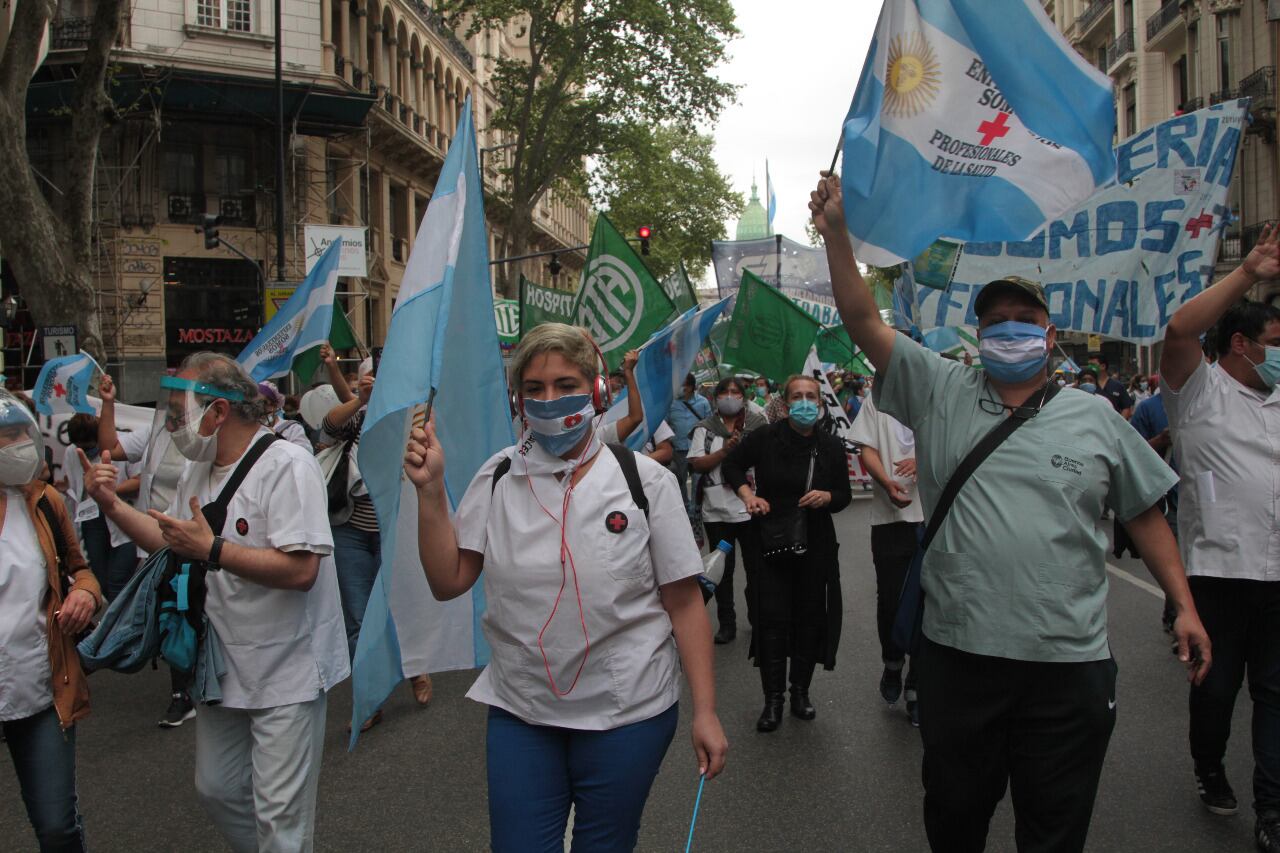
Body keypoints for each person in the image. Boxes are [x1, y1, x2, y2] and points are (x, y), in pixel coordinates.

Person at [810, 172, 1211, 852]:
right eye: (996, 323)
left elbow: (1144, 513)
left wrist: (1185, 603)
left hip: (1069, 666)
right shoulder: (938, 388)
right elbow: (860, 320)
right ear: (977, 334)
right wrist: (838, 233)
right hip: (960, 660)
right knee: (956, 820)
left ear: (1050, 337)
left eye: (1025, 323)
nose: (1011, 332)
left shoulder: (1095, 417)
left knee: (1053, 831)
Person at [407, 323, 727, 852]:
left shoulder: (644, 482)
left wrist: (706, 711)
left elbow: (684, 602)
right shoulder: (496, 477)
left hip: (628, 714)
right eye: (535, 388)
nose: (550, 400)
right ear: (518, 399)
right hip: (522, 710)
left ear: (599, 391)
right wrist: (430, 493)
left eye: (566, 384)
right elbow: (447, 581)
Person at [79, 352, 349, 852]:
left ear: (219, 412)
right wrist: (112, 505)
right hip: (221, 666)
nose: (172, 422)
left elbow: (302, 570)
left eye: (179, 411)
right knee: (219, 790)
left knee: (281, 820)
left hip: (286, 669)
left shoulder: (288, 465)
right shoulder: (197, 472)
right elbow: (169, 540)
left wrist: (214, 550)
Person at [1159, 223, 1280, 849]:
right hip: (1217, 575)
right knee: (1217, 690)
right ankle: (1209, 766)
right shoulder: (1197, 389)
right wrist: (1248, 273)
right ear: (1241, 344)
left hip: (1277, 575)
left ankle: (1272, 807)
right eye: (1275, 342)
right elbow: (1179, 332)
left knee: (1275, 693)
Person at [722, 374, 852, 732]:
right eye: (798, 396)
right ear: (785, 402)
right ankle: (773, 699)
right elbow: (731, 465)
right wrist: (749, 496)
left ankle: (800, 693)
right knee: (773, 620)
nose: (805, 402)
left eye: (811, 396)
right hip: (771, 539)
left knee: (809, 618)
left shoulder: (830, 446)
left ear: (821, 403)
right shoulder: (766, 437)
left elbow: (843, 495)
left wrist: (827, 497)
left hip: (816, 543)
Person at [0, 390, 101, 852]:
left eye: (23, 433)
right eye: (7, 437)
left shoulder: (44, 503)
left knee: (58, 826)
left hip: (41, 688)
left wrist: (84, 591)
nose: (20, 445)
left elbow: (80, 569)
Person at [320, 353, 433, 725]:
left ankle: (414, 667)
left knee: (398, 607)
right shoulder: (364, 409)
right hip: (350, 530)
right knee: (358, 618)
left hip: (395, 531)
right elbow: (329, 426)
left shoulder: (417, 414)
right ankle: (370, 698)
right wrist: (361, 399)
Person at [97, 372, 201, 728]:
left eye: (178, 405)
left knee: (182, 611)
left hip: (187, 539)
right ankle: (184, 684)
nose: (172, 413)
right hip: (151, 539)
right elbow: (109, 445)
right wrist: (109, 403)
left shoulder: (204, 438)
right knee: (166, 613)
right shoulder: (157, 432)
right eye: (168, 405)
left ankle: (184, 692)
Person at [848, 390, 924, 725]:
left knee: (930, 604)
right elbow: (867, 448)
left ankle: (918, 684)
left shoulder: (940, 396)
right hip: (891, 516)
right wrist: (886, 481)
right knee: (891, 600)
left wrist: (926, 459)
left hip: (935, 517)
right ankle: (893, 661)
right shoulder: (876, 400)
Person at [688, 376, 768, 644]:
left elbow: (769, 460)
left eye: (736, 392)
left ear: (744, 397)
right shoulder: (705, 429)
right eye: (725, 392)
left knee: (756, 567)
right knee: (723, 569)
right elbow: (697, 464)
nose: (731, 396)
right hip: (717, 511)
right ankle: (727, 623)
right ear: (716, 397)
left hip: (751, 507)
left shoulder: (758, 426)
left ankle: (759, 620)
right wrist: (726, 451)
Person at [63, 413, 139, 601]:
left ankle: (121, 627)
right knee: (101, 580)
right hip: (92, 520)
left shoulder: (123, 446)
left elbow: (139, 481)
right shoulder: (72, 453)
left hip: (125, 519)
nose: (86, 451)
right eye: (80, 447)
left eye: (90, 447)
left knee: (118, 581)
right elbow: (71, 483)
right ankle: (117, 623)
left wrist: (107, 491)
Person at [666, 373, 712, 514]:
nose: (680, 388)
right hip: (679, 448)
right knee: (680, 481)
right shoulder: (671, 403)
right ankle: (684, 509)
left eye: (683, 385)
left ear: (691, 387)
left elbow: (710, 424)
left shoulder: (703, 402)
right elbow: (666, 424)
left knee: (698, 480)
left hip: (698, 449)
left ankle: (696, 509)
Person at [259, 381, 313, 451]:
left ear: (275, 406)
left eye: (263, 403)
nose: (259, 408)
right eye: (253, 404)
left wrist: (277, 437)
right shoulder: (249, 429)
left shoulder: (292, 428)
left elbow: (305, 453)